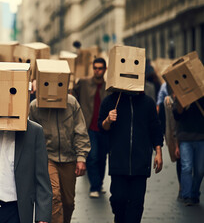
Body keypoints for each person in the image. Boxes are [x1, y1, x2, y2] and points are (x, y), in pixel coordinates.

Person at [99, 91, 163, 223]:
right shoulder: (110, 101)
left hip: (141, 162)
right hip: (118, 161)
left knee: (136, 204)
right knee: (118, 199)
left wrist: (158, 152)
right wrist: (108, 120)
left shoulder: (148, 102)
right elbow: (102, 128)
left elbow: (155, 128)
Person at [29, 94, 90, 223]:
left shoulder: (72, 103)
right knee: (54, 196)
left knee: (68, 202)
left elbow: (80, 131)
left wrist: (81, 158)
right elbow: (31, 134)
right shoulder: (35, 106)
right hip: (47, 158)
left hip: (69, 157)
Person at [73, 57, 109, 198]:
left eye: (100, 68)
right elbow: (72, 95)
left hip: (105, 128)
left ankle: (99, 184)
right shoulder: (84, 83)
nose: (97, 71)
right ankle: (94, 186)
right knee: (92, 157)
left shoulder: (109, 87)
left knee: (102, 158)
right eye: (95, 68)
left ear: (105, 69)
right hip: (88, 127)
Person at [172, 97, 204, 206]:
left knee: (200, 170)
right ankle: (187, 195)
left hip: (201, 137)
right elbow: (176, 116)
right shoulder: (182, 93)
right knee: (186, 167)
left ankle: (194, 193)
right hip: (185, 137)